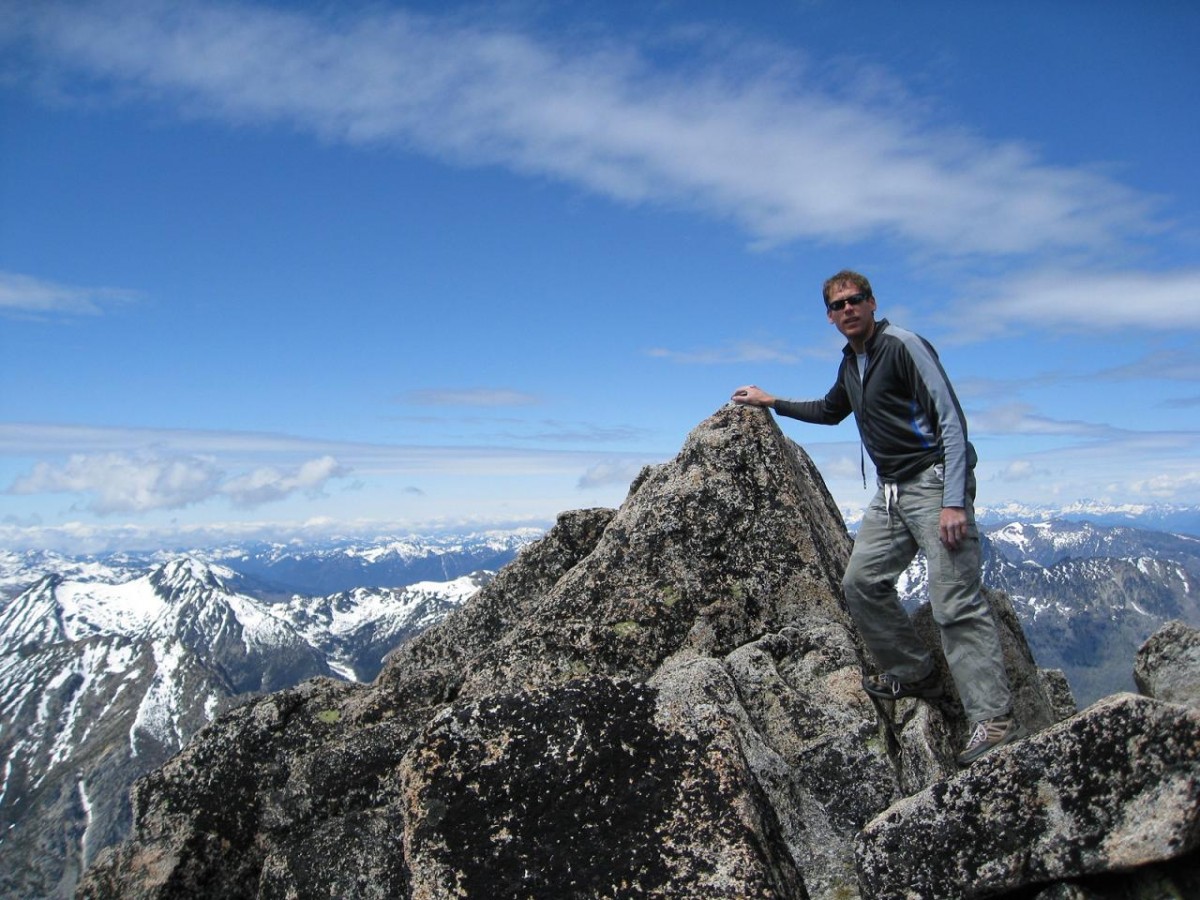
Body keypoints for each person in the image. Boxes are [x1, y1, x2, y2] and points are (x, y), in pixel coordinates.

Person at [731, 269, 1024, 766]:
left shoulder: (903, 345)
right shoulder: (852, 363)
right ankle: (916, 674)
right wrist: (772, 401)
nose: (848, 310)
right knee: (862, 582)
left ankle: (993, 719)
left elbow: (951, 421)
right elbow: (829, 410)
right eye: (838, 305)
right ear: (829, 316)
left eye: (855, 300)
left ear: (871, 302)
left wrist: (954, 499)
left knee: (954, 603)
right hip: (890, 493)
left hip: (933, 485)